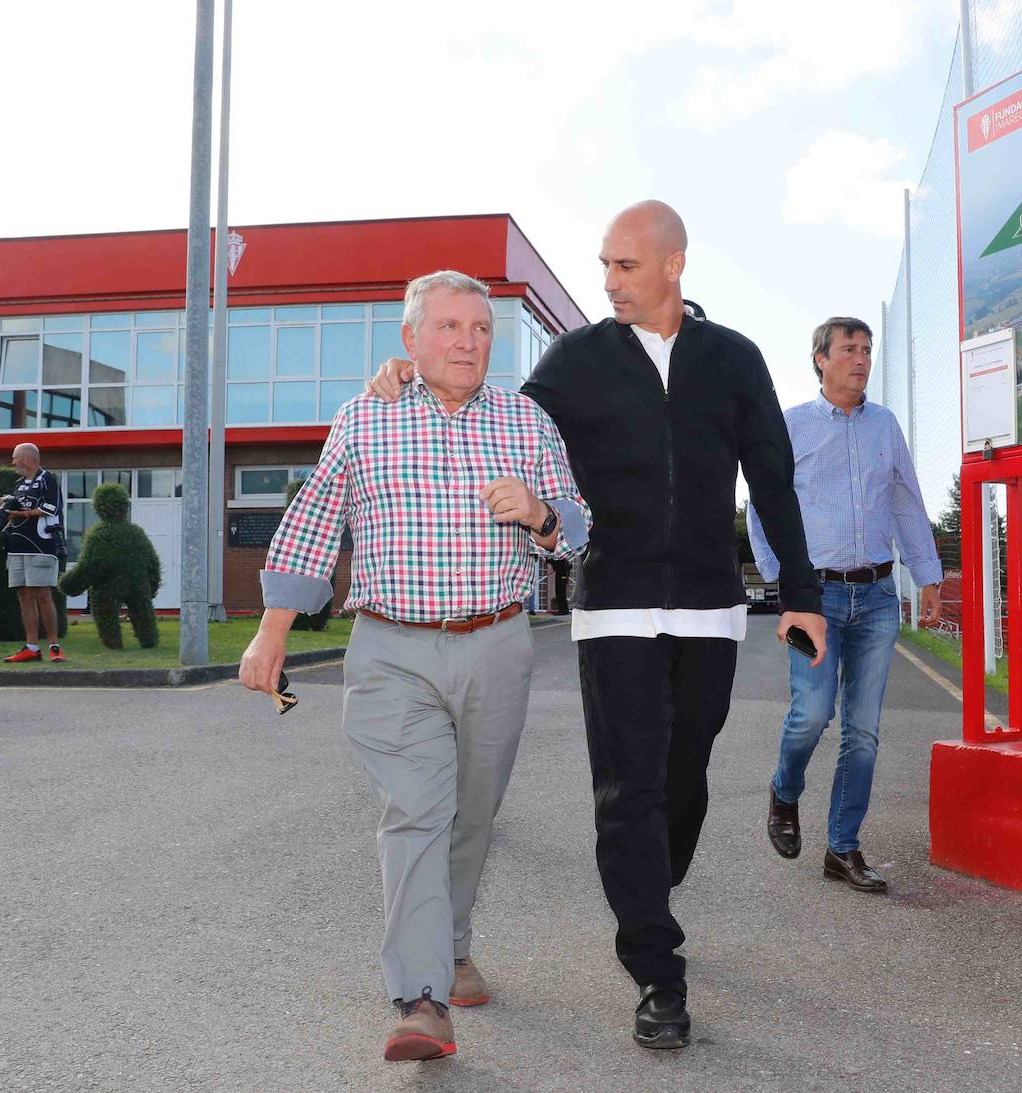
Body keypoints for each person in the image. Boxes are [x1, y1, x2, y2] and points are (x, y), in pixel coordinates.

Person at [368, 201, 826, 1050]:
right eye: (604, 265)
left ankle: (655, 883)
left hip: (707, 605)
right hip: (611, 599)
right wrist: (410, 378)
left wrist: (800, 591)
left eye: (623, 265)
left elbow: (772, 474)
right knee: (629, 787)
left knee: (684, 774)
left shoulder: (733, 360)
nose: (608, 281)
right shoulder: (576, 360)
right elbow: (492, 419)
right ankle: (657, 965)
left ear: (673, 265)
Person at [239, 270, 589, 1064]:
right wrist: (271, 633)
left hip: (498, 642)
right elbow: (313, 522)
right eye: (450, 327)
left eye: (481, 329)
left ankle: (452, 944)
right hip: (391, 647)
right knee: (417, 812)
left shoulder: (527, 421)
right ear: (411, 339)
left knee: (472, 813)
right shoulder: (367, 416)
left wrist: (539, 513)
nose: (468, 341)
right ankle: (422, 995)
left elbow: (578, 525)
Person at [748, 317, 941, 893]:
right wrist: (786, 588)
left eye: (867, 349)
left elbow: (906, 498)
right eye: (849, 349)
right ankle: (785, 793)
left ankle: (843, 847)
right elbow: (763, 505)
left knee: (864, 731)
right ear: (820, 360)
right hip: (815, 596)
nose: (861, 358)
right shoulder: (791, 427)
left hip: (878, 596)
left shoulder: (885, 426)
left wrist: (927, 576)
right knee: (812, 714)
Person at [0, 443, 66, 664]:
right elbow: (16, 512)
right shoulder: (19, 485)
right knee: (24, 595)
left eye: (15, 458)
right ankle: (32, 648)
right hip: (17, 547)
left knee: (43, 594)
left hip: (41, 546)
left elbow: (50, 509)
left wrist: (18, 513)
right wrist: (7, 508)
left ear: (27, 459)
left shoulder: (48, 479)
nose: (13, 462)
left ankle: (55, 647)